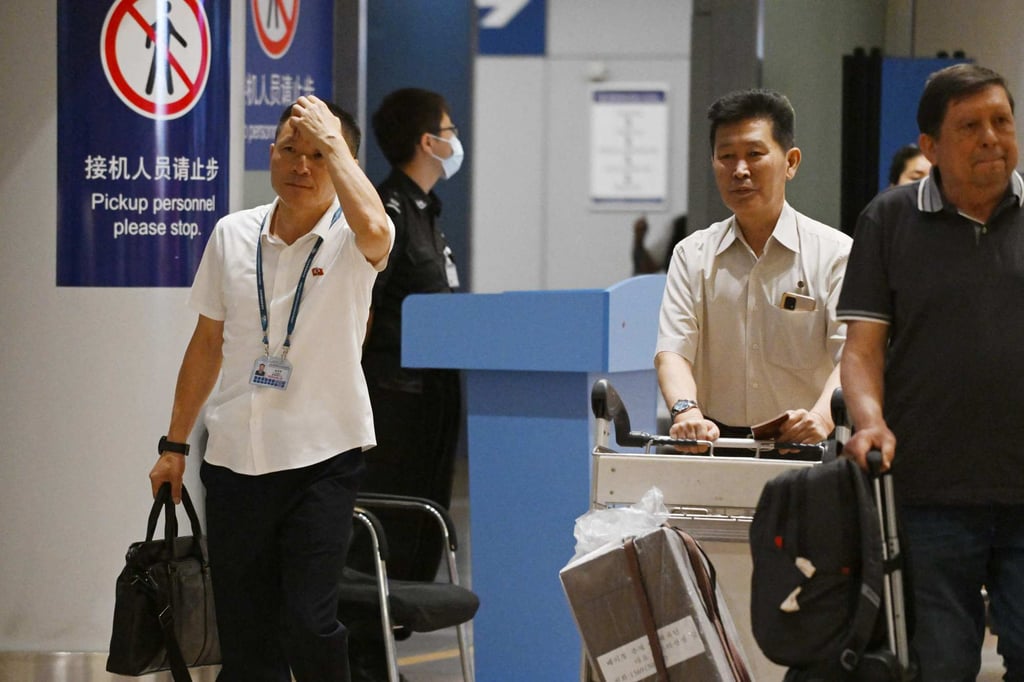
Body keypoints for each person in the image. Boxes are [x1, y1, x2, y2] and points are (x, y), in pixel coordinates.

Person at [147, 95, 393, 682]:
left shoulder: (354, 239)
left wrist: (336, 142)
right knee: (245, 632)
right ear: (270, 154)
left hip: (321, 461)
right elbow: (206, 344)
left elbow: (380, 228)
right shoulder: (234, 234)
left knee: (309, 624)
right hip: (234, 460)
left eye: (318, 154)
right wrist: (174, 445)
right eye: (288, 150)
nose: (301, 165)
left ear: (342, 164)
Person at [839, 63, 1024, 680]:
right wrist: (868, 422)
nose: (992, 137)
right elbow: (862, 350)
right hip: (930, 491)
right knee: (941, 662)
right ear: (930, 147)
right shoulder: (888, 221)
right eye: (970, 126)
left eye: (1002, 120)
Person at [655, 89, 852, 455]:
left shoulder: (836, 254)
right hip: (712, 442)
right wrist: (685, 411)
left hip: (806, 442)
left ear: (790, 162)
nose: (739, 170)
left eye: (755, 155)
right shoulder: (692, 254)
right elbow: (674, 350)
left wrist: (822, 419)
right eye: (726, 157)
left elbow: (853, 355)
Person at [348, 87, 464, 681]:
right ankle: (366, 661)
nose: (454, 138)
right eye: (448, 128)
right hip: (394, 407)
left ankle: (385, 655)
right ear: (428, 142)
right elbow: (365, 308)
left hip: (432, 408)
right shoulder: (387, 210)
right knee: (383, 541)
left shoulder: (428, 211)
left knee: (417, 541)